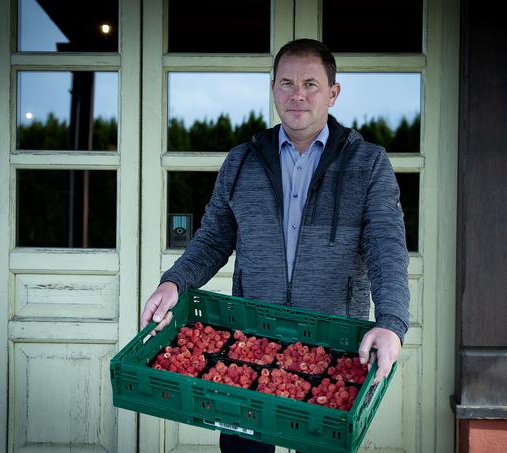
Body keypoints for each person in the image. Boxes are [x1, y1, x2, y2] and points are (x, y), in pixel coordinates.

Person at [140, 38, 410, 453]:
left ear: (333, 94)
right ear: (273, 89)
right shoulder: (241, 161)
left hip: (331, 348)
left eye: (310, 84)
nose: (296, 94)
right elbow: (213, 238)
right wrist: (174, 282)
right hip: (249, 344)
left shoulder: (367, 163)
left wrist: (390, 322)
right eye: (286, 83)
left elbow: (386, 248)